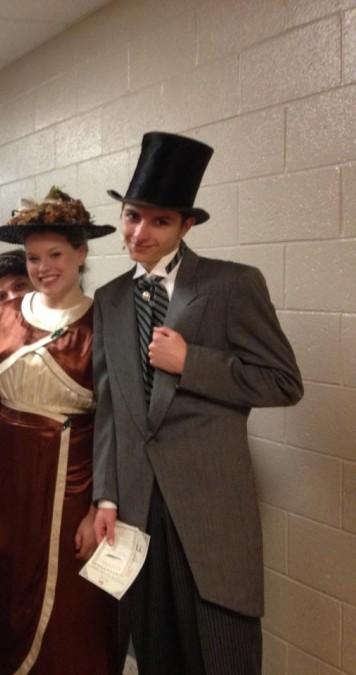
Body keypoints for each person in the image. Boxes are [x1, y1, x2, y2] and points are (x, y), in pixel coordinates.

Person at [92, 132, 303, 675]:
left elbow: (283, 381)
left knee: (221, 651)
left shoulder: (232, 285)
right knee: (156, 650)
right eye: (133, 216)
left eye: (160, 222)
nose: (140, 233)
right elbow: (111, 408)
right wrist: (107, 495)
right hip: (138, 510)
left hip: (211, 510)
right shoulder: (109, 298)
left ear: (187, 226)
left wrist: (195, 363)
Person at [0, 187, 121, 674]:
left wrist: (100, 503)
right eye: (33, 257)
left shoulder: (103, 322)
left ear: (81, 253)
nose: (43, 266)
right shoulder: (3, 317)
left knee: (77, 610)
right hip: (15, 484)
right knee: (12, 594)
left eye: (55, 254)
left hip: (76, 483)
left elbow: (118, 423)